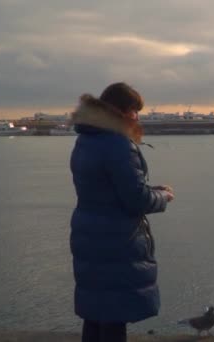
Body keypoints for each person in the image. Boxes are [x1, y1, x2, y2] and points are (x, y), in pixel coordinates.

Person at [69, 82, 174, 342]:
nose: (137, 117)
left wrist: (149, 188)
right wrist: (163, 196)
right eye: (134, 111)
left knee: (96, 312)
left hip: (88, 233)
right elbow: (135, 199)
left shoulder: (86, 140)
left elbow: (105, 188)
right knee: (115, 314)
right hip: (116, 239)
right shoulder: (118, 144)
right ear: (121, 112)